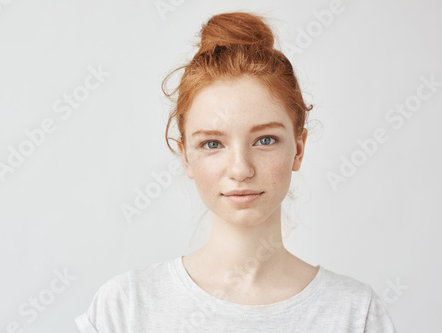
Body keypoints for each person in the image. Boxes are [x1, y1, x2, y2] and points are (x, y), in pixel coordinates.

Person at [75, 11, 397, 332]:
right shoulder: (125, 309)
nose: (241, 169)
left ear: (298, 148)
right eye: (213, 144)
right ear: (185, 156)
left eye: (265, 140)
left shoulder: (355, 314)